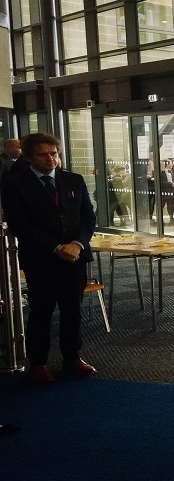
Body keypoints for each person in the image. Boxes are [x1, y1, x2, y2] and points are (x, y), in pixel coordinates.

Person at [0, 133, 97, 383]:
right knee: (42, 310)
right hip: (41, 257)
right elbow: (20, 224)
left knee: (72, 309)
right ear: (29, 157)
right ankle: (38, 363)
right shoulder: (15, 183)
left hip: (75, 257)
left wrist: (76, 245)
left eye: (54, 153)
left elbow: (88, 218)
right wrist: (56, 247)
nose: (50, 158)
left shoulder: (73, 180)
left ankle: (72, 358)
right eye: (43, 154)